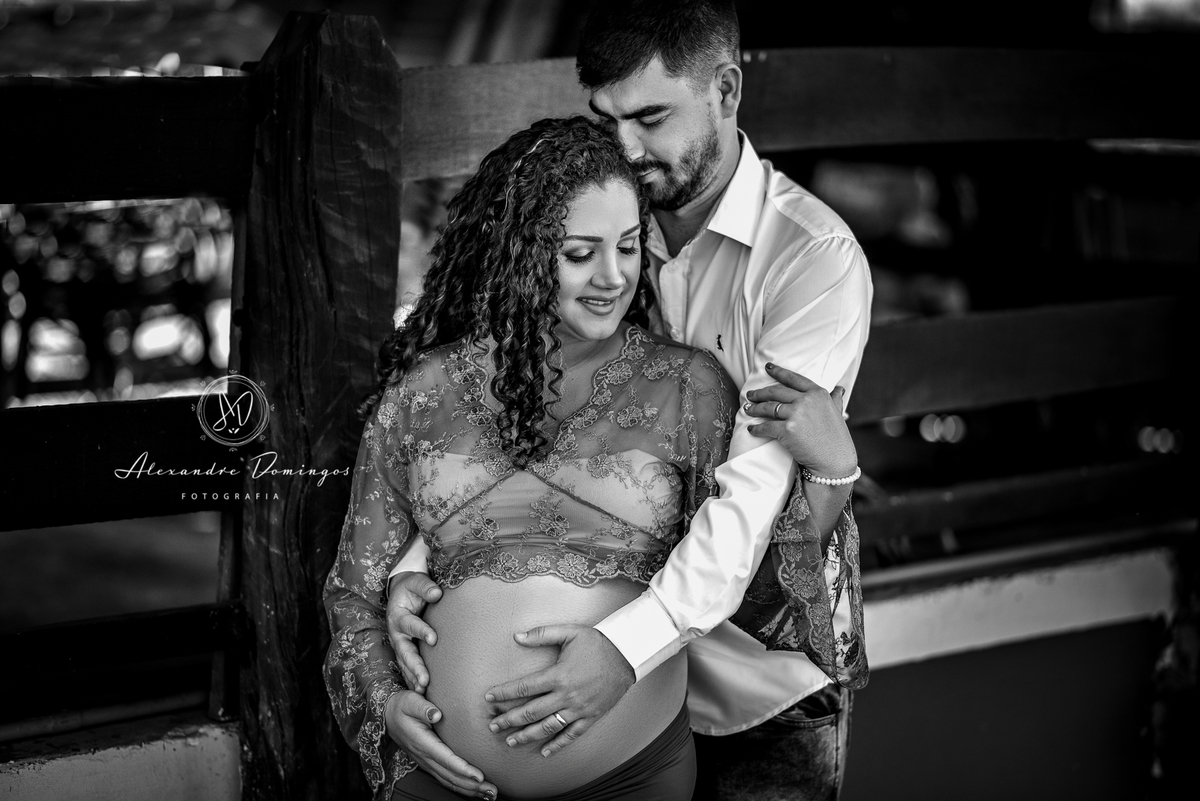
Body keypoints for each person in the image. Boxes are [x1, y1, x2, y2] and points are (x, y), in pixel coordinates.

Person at [384, 2, 873, 799]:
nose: (625, 147)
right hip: (612, 723)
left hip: (758, 694)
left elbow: (749, 502)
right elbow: (503, 415)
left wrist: (621, 651)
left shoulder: (809, 262)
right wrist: (416, 565)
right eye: (606, 119)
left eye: (650, 117)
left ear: (726, 90)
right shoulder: (603, 211)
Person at [326, 115, 754, 800]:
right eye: (580, 253)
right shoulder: (422, 393)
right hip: (436, 780)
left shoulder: (686, 386)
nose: (613, 276)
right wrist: (384, 701)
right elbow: (354, 590)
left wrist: (829, 471)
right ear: (519, 253)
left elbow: (747, 568)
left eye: (628, 246)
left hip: (629, 778)